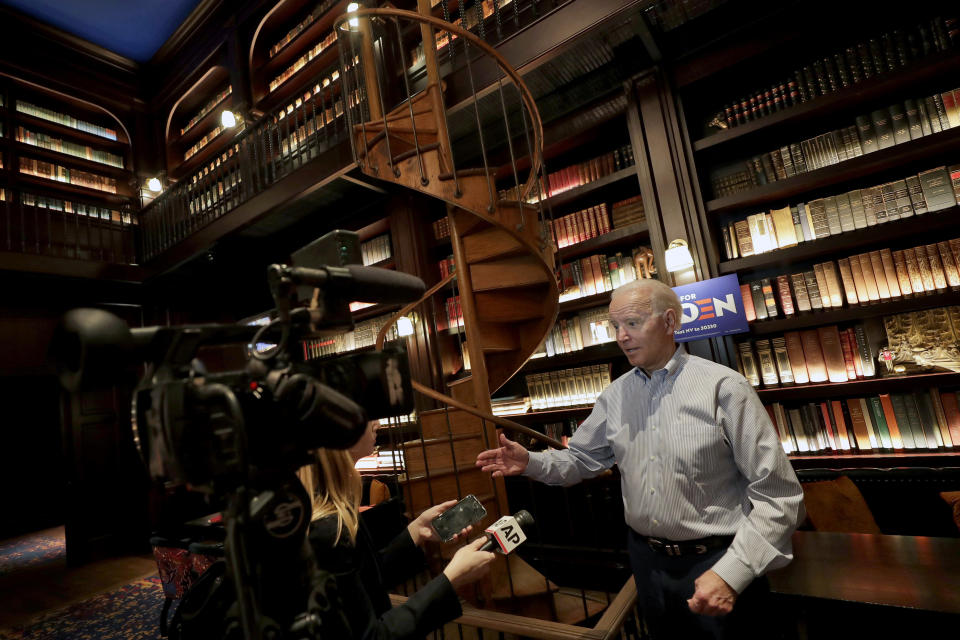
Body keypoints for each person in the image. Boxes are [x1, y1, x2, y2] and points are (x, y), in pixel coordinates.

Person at [476, 279, 805, 639]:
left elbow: (779, 495)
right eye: (615, 326)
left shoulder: (725, 389)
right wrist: (530, 462)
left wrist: (733, 571)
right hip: (646, 562)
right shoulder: (615, 396)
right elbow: (583, 459)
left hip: (717, 559)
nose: (621, 336)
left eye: (632, 323)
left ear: (668, 322)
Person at [304, 420, 495, 640]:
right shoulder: (327, 528)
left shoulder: (338, 503)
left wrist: (416, 531)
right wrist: (451, 579)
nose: (376, 423)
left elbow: (368, 580)